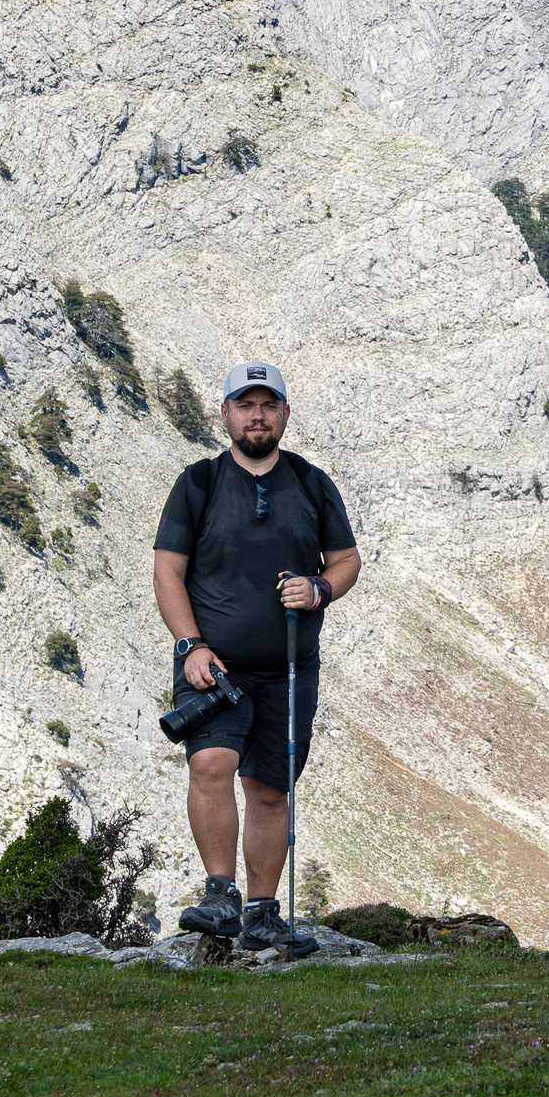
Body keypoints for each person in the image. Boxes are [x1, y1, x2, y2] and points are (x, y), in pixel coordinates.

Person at [153, 361, 359, 956]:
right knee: (211, 765)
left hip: (290, 666)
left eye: (269, 405)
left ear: (286, 414)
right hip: (211, 664)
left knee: (270, 789)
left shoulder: (313, 484)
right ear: (226, 414)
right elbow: (168, 572)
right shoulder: (198, 483)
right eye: (246, 405)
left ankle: (263, 915)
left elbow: (346, 561)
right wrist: (190, 644)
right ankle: (221, 894)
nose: (258, 416)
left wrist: (320, 587)